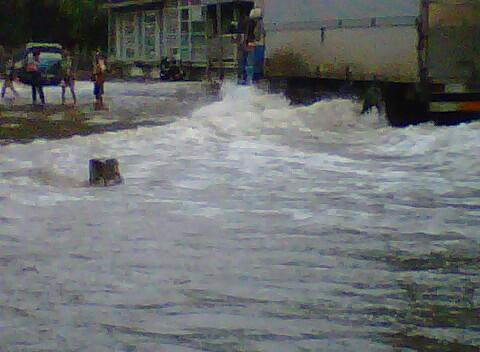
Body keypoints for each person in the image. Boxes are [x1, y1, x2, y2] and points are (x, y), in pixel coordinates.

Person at [245, 8, 266, 85]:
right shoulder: (260, 24)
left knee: (252, 65)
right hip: (259, 46)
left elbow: (256, 36)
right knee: (256, 66)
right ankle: (255, 80)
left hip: (256, 46)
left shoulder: (255, 24)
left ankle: (251, 81)